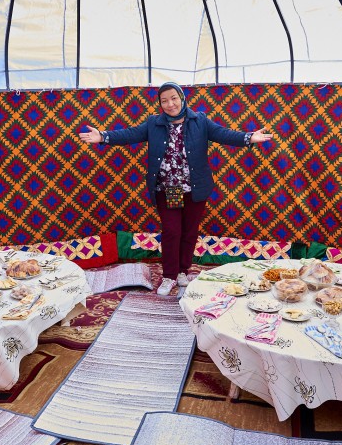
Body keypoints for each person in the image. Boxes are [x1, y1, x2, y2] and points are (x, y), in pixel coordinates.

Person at [79, 82, 272, 295]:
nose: (170, 104)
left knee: (189, 232)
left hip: (195, 188)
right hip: (170, 189)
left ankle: (182, 272)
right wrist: (103, 136)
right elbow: (129, 134)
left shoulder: (200, 121)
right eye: (164, 101)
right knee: (172, 231)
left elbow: (224, 134)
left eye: (173, 98)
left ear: (182, 98)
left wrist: (249, 137)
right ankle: (169, 276)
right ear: (160, 104)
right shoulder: (154, 123)